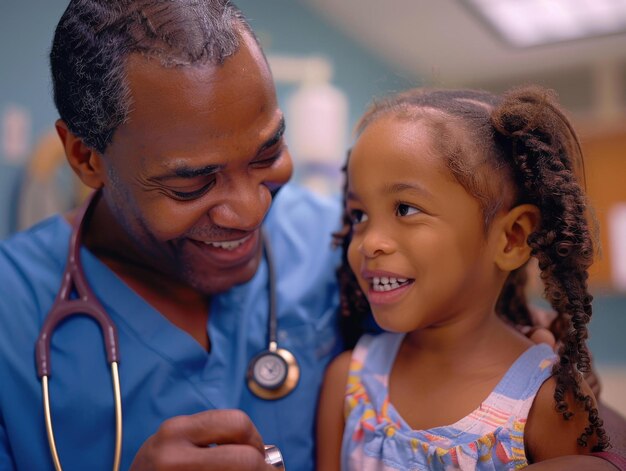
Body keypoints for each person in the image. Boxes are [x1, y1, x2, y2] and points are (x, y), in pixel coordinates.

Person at [0, 1, 623, 470]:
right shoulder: (11, 309)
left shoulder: (341, 241)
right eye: (192, 183)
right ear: (85, 158)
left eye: (268, 150)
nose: (248, 210)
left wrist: (544, 378)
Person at [317, 86, 626, 470]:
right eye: (359, 216)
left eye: (405, 208)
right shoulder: (347, 382)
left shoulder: (549, 403)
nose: (369, 243)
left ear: (511, 238)